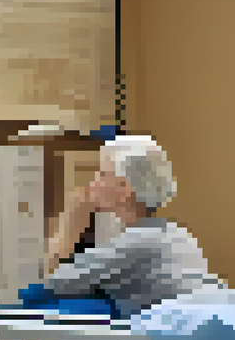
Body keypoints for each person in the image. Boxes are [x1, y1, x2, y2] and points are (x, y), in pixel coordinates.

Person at [42, 135, 225, 319]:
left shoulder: (137, 241)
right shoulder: (177, 234)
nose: (93, 182)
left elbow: (51, 283)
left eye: (102, 174)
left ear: (124, 188)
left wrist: (70, 225)